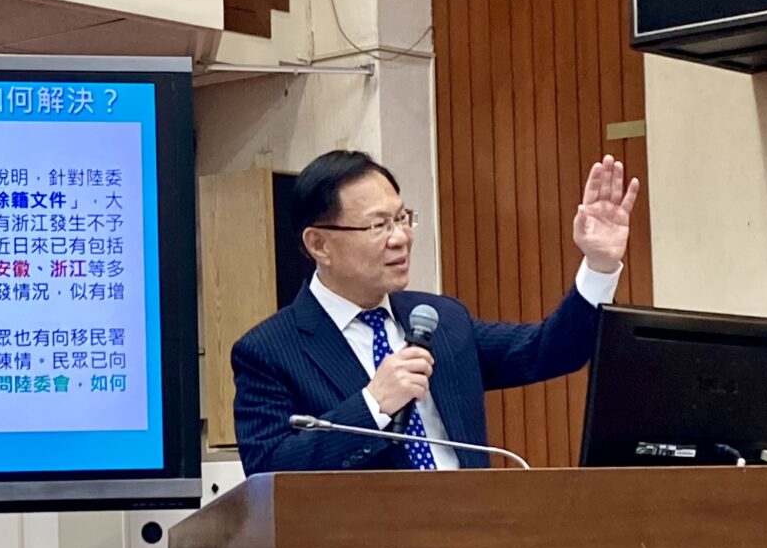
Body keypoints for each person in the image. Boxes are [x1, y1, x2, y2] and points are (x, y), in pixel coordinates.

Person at [231, 151, 640, 474]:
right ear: (319, 244)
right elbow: (269, 471)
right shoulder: (269, 351)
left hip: (473, 533)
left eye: (402, 218)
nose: (401, 238)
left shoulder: (441, 320)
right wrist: (373, 405)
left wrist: (600, 265)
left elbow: (549, 351)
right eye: (379, 226)